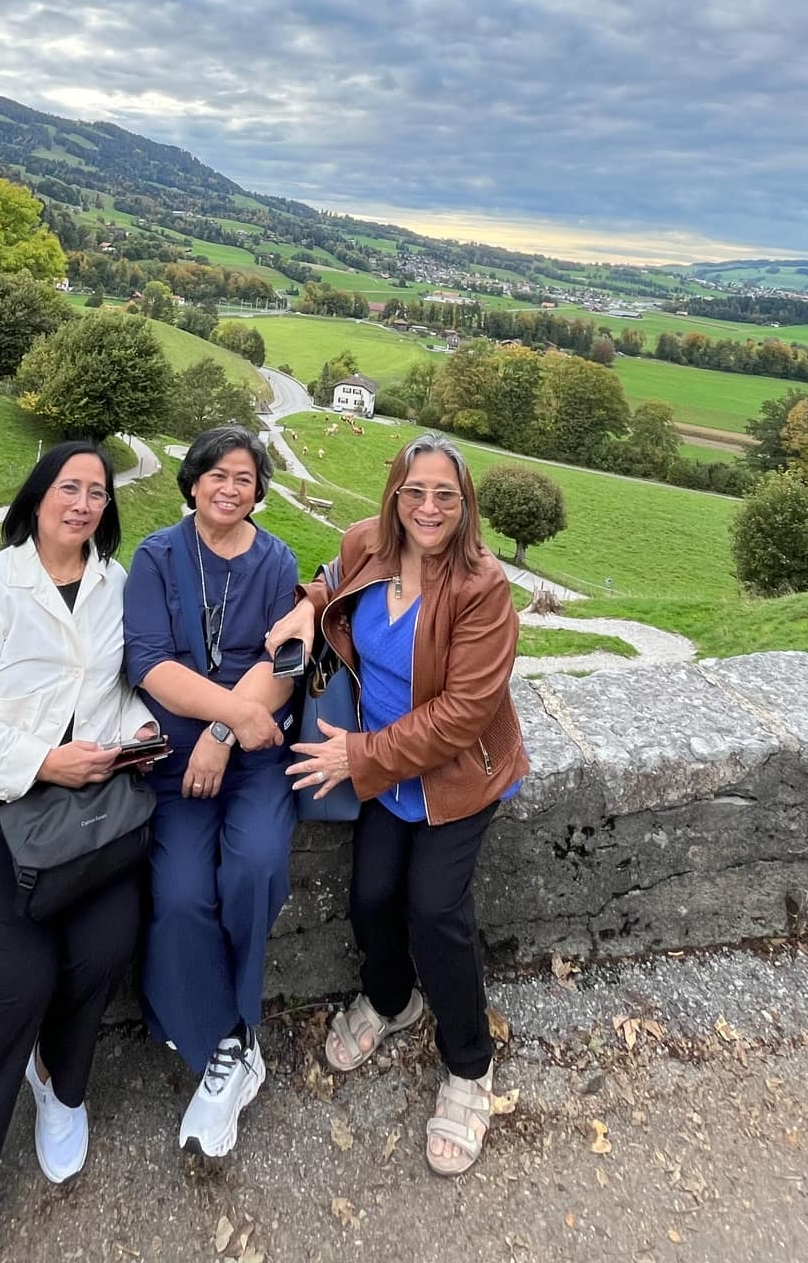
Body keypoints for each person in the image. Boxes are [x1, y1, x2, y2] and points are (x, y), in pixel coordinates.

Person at [0, 440, 159, 1263]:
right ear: (39, 496)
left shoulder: (113, 586)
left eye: (97, 492)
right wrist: (42, 760)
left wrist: (137, 734)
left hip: (81, 815)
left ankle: (60, 1081)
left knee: (106, 943)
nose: (84, 502)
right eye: (69, 487)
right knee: (18, 975)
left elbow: (116, 692)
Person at [271, 434, 528, 1177]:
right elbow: (332, 579)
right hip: (386, 772)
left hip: (455, 774)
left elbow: (463, 714)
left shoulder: (483, 587)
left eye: (446, 495)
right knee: (371, 897)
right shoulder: (367, 545)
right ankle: (391, 1003)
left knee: (435, 910)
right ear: (393, 495)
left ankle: (469, 1066)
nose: (429, 507)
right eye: (415, 491)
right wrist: (305, 610)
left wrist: (358, 757)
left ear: (465, 504)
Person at [122, 424, 301, 1157]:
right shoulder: (158, 556)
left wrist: (225, 736)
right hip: (175, 760)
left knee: (255, 866)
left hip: (251, 753)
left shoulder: (277, 558)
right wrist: (215, 727)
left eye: (245, 478)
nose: (231, 488)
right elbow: (149, 664)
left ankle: (238, 1028)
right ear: (192, 481)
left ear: (259, 490)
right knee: (180, 893)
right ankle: (226, 1037)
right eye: (217, 475)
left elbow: (284, 663)